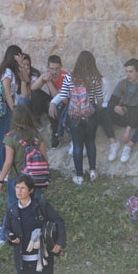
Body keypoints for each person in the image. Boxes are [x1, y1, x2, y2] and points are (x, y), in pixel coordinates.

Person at [5, 174, 66, 274]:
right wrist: (11, 237)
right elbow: (6, 229)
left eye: (23, 188)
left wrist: (59, 242)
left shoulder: (41, 206)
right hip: (22, 258)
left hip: (42, 256)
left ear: (31, 190)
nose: (19, 191)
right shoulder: (12, 209)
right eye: (17, 187)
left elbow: (59, 221)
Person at [0, 105, 47, 245]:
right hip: (35, 179)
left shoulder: (10, 137)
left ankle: (3, 237)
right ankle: (34, 236)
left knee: (13, 208)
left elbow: (8, 161)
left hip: (17, 179)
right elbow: (45, 159)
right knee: (34, 208)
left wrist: (1, 180)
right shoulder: (37, 135)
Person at [52, 50, 103, 185]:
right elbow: (100, 98)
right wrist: (95, 108)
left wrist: (71, 105)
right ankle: (93, 172)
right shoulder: (95, 78)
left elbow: (63, 97)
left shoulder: (70, 77)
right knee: (91, 143)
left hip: (74, 117)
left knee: (78, 145)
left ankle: (79, 177)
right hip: (90, 116)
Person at [104, 58, 138, 164]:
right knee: (104, 111)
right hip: (126, 113)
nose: (128, 74)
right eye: (126, 72)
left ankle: (129, 146)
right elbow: (111, 101)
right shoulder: (122, 84)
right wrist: (115, 107)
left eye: (131, 72)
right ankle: (113, 143)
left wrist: (127, 130)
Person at [0, 45, 23, 170]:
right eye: (20, 55)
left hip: (7, 106)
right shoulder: (7, 72)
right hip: (6, 107)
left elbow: (25, 79)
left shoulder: (12, 70)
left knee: (2, 132)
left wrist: (21, 65)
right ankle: (1, 169)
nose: (21, 57)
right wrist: (12, 108)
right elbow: (7, 92)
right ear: (14, 56)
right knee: (5, 139)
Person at [30, 54, 68, 148]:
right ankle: (37, 119)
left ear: (61, 67)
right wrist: (42, 77)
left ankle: (55, 135)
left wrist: (49, 82)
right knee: (36, 94)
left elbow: (57, 96)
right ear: (48, 67)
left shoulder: (66, 76)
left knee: (53, 106)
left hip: (62, 103)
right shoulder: (47, 74)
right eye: (52, 68)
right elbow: (33, 87)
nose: (54, 71)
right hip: (51, 101)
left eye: (57, 68)